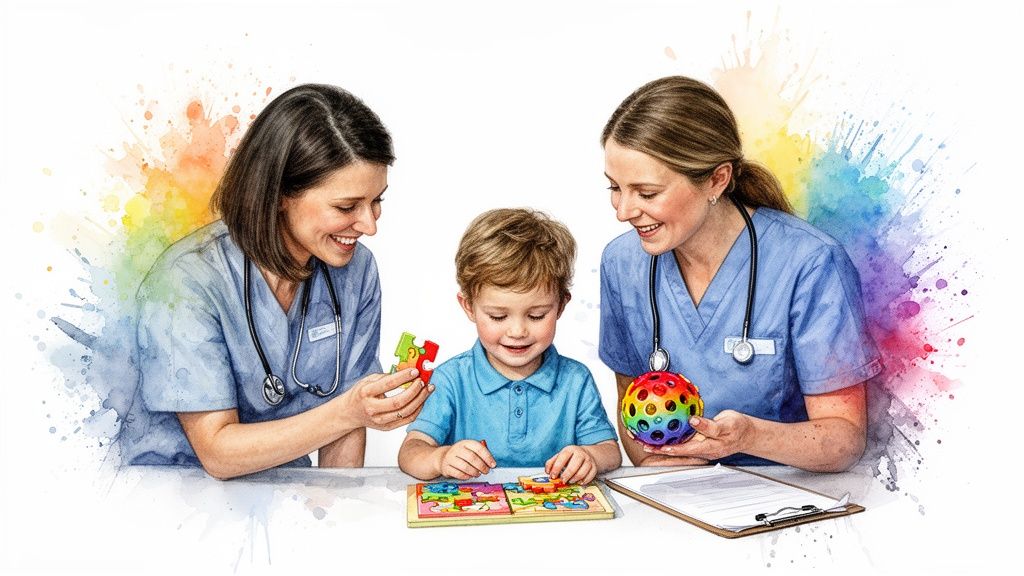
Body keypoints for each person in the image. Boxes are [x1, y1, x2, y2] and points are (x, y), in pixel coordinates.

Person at [121, 84, 433, 479]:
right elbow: (217, 453)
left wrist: (335, 514)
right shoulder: (186, 282)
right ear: (281, 193)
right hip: (174, 497)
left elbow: (345, 425)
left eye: (377, 202)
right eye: (346, 206)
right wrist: (348, 410)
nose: (369, 225)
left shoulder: (355, 271)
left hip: (283, 494)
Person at [599, 76, 881, 472]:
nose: (623, 211)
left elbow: (844, 440)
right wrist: (673, 476)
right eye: (614, 187)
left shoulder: (810, 262)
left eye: (646, 193)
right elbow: (637, 420)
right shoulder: (622, 263)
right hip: (681, 493)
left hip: (795, 498)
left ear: (717, 179)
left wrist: (750, 437)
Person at [398, 208, 621, 483]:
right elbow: (410, 452)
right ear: (469, 306)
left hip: (555, 520)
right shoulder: (451, 379)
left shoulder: (575, 380)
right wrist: (440, 458)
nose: (517, 332)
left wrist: (590, 457)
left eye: (537, 315)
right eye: (498, 316)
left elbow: (610, 452)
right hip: (473, 520)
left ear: (561, 305)